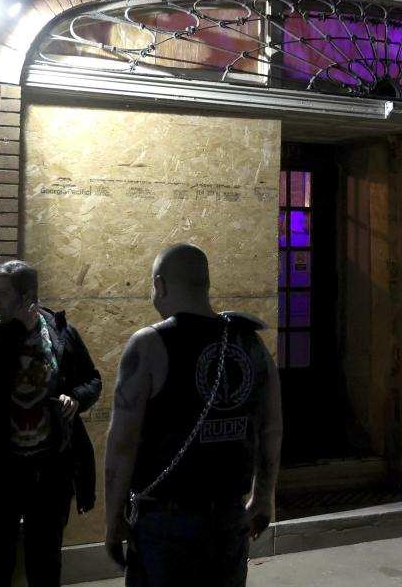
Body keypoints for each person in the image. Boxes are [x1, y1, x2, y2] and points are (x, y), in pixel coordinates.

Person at [104, 243, 283, 587]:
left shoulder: (148, 344)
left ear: (160, 284)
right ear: (206, 285)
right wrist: (263, 498)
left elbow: (122, 445)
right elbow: (271, 427)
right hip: (229, 518)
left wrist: (113, 523)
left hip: (166, 524)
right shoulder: (250, 342)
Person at [0, 260, 101, 587]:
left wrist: (76, 398)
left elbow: (92, 379)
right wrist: (17, 330)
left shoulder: (59, 330)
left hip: (50, 467)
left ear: (27, 296)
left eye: (3, 294)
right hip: (0, 468)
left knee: (45, 560)